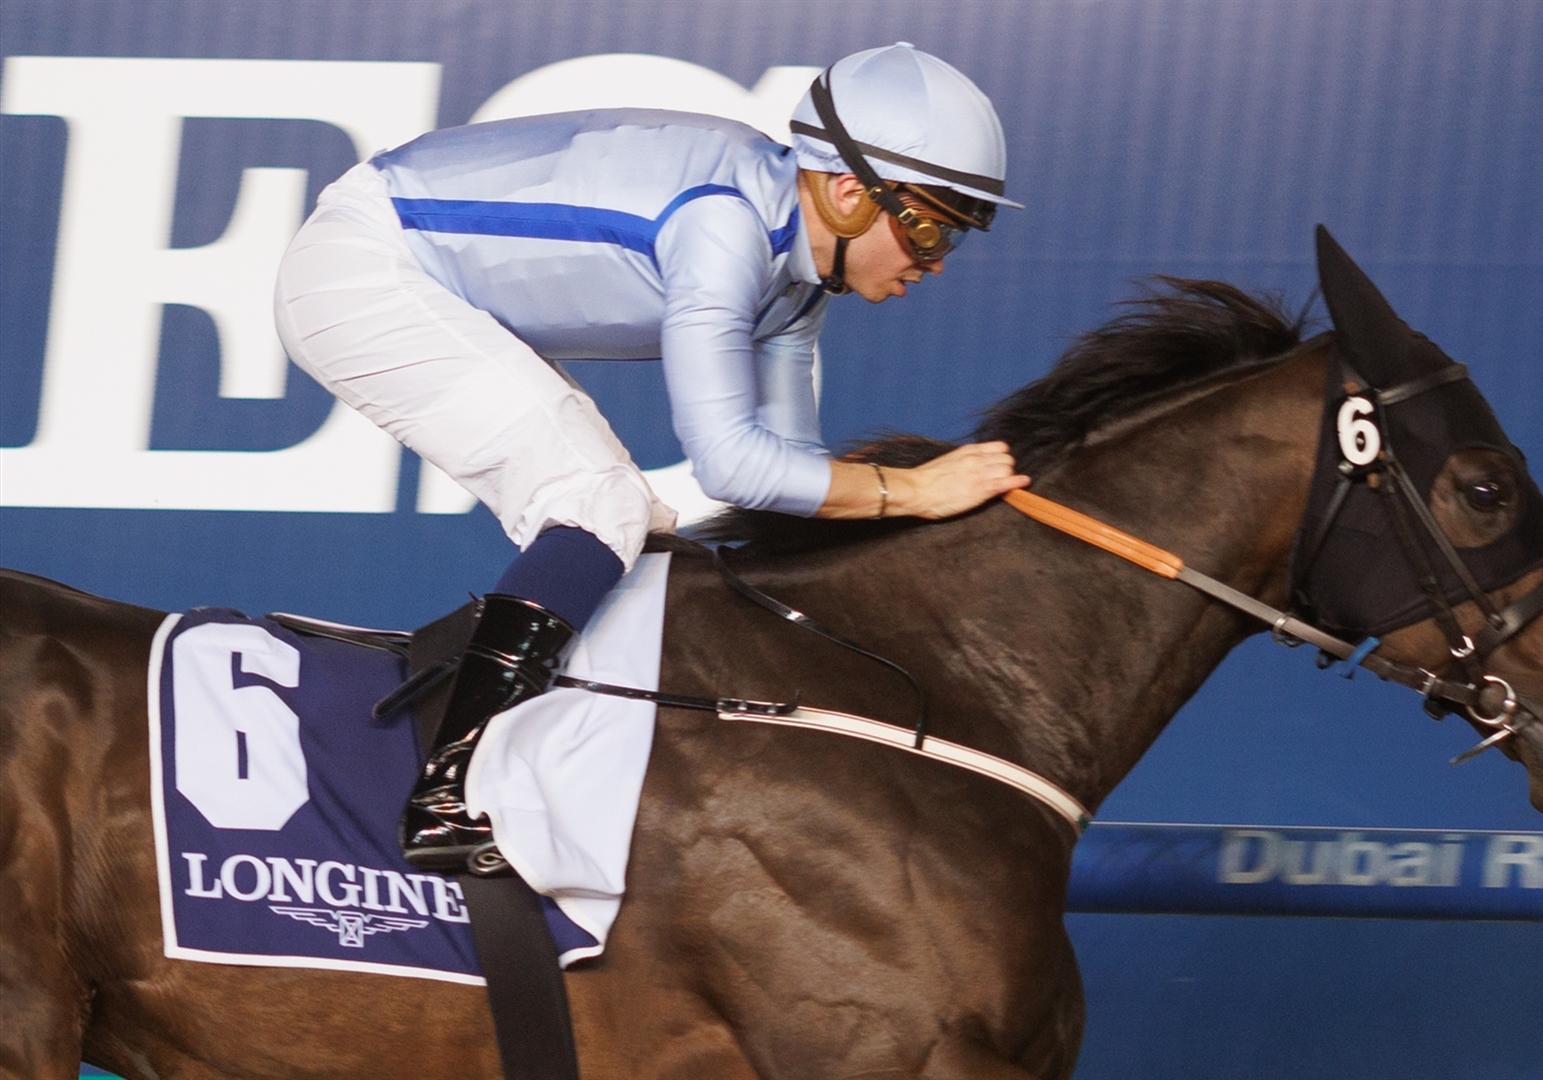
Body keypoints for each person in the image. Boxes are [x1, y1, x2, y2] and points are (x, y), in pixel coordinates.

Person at [272, 43, 1029, 872]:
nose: (936, 260)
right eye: (927, 226)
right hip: (364, 268)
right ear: (850, 194)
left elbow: (785, 478)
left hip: (415, 264)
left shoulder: (796, 283)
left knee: (640, 530)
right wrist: (912, 491)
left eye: (956, 234)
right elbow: (732, 467)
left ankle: (562, 762)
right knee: (598, 504)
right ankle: (446, 795)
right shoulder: (726, 227)